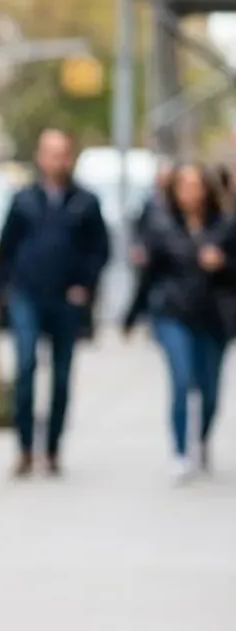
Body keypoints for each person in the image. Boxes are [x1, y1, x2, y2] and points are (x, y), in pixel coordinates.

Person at [0, 129, 109, 475]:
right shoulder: (23, 200)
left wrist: (85, 285)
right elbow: (4, 249)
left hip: (66, 299)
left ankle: (51, 448)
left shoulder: (86, 202)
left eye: (62, 153)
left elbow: (100, 250)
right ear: (39, 156)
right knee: (25, 367)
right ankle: (23, 448)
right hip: (26, 295)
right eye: (50, 152)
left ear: (70, 157)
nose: (56, 160)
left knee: (62, 376)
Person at [123, 161, 236, 479]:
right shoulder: (162, 225)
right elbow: (147, 276)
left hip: (214, 317)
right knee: (183, 379)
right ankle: (180, 450)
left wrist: (222, 263)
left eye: (196, 185)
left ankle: (200, 441)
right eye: (184, 185)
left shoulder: (226, 225)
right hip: (172, 313)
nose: (190, 192)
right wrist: (132, 316)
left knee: (210, 390)